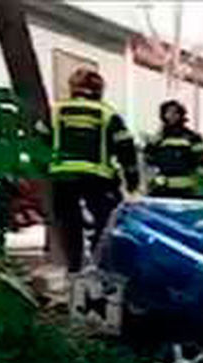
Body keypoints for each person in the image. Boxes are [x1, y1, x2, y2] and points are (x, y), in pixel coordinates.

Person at [49, 68, 139, 272]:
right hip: (98, 179)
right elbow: (125, 147)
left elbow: (41, 139)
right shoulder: (107, 114)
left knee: (69, 224)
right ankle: (100, 266)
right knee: (106, 223)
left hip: (63, 177)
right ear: (99, 90)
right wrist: (132, 179)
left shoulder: (56, 111)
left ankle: (74, 267)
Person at [144, 100, 203, 197]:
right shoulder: (158, 138)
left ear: (181, 115)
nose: (172, 116)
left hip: (185, 188)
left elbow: (202, 160)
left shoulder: (192, 137)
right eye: (168, 112)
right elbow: (148, 158)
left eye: (175, 112)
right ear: (163, 116)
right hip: (162, 187)